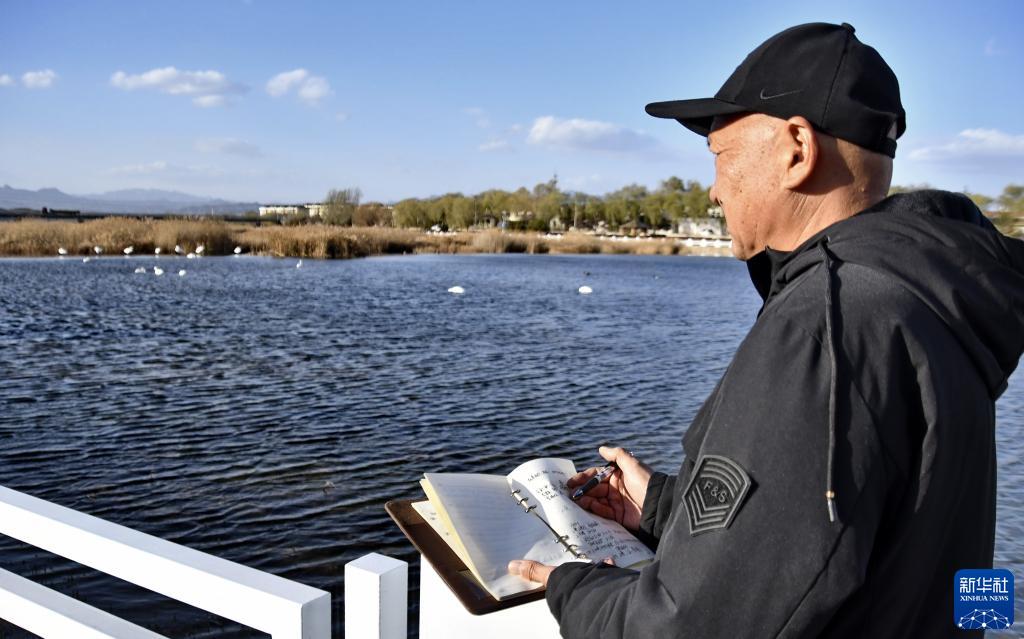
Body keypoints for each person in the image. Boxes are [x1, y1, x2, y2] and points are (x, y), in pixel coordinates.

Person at [507, 22, 1024, 638]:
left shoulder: (827, 323)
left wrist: (573, 586)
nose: (713, 190)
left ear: (797, 149)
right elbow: (854, 535)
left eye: (721, 156)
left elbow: (693, 627)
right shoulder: (924, 299)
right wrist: (666, 507)